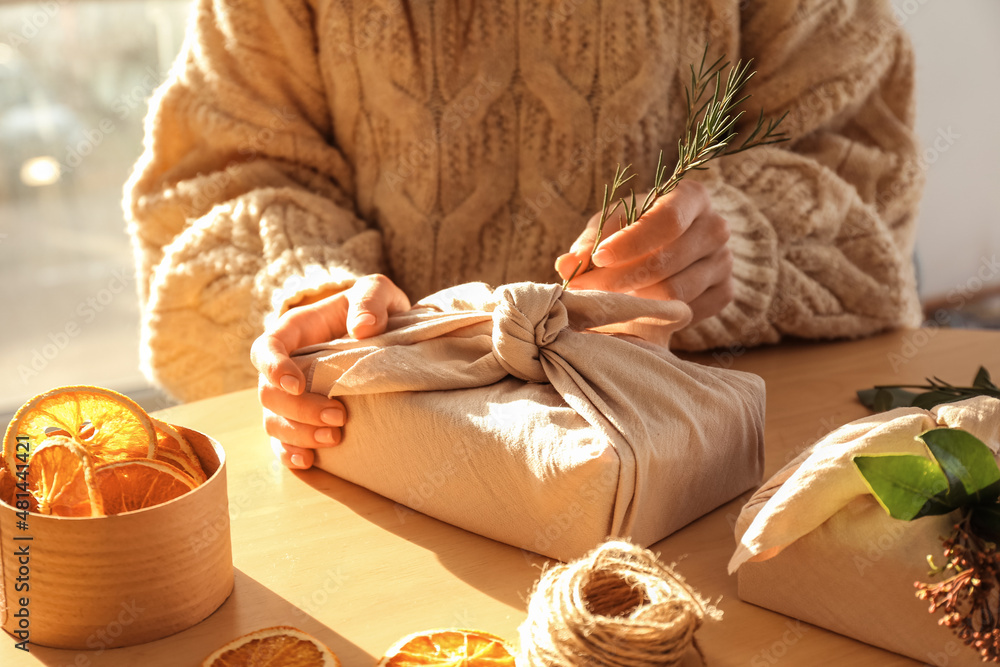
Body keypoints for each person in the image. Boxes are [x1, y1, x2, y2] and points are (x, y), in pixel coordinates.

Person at [125, 0, 924, 470]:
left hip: (702, 467)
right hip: (388, 464)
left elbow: (863, 156)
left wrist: (746, 244)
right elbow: (217, 178)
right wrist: (308, 290)